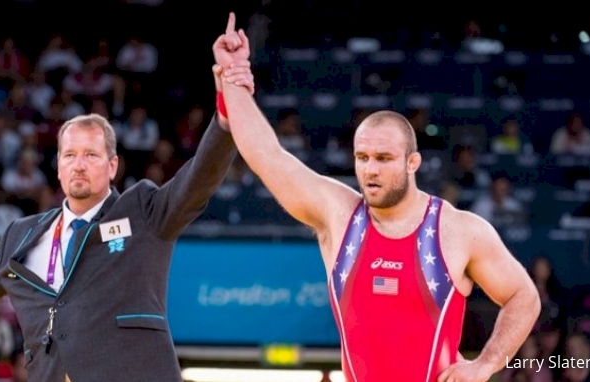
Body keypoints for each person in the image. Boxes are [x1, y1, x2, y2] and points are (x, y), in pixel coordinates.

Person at [0, 13, 254, 382]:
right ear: (58, 167)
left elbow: (197, 181)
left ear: (112, 166)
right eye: (69, 156)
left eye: (91, 155)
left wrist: (226, 110)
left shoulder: (143, 211)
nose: (79, 165)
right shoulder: (19, 237)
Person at [215, 22, 541, 382]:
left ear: (412, 163)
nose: (370, 170)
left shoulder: (458, 230)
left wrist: (485, 364)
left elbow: (523, 296)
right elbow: (267, 156)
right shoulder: (338, 214)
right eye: (362, 157)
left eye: (384, 158)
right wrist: (233, 77)